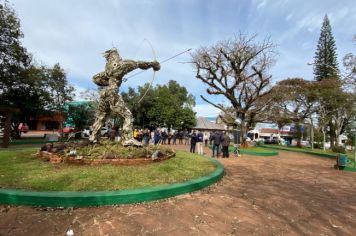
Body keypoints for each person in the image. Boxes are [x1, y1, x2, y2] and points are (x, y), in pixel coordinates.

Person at [89, 48, 160, 144]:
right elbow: (139, 64)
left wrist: (111, 82)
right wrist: (152, 64)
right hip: (112, 93)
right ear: (116, 56)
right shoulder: (122, 64)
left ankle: (94, 137)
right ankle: (127, 139)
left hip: (104, 93)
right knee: (127, 115)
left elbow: (95, 79)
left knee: (102, 116)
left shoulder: (107, 71)